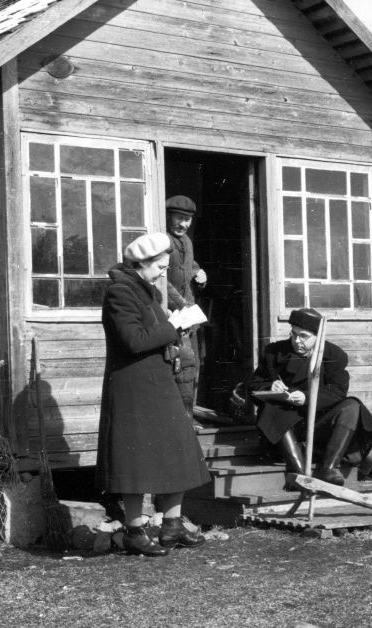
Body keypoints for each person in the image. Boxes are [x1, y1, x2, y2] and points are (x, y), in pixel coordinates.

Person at [97, 232, 211, 557]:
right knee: (135, 461)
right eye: (159, 267)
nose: (163, 272)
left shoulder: (144, 290)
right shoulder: (120, 292)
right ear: (142, 263)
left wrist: (176, 331)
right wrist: (173, 328)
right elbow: (133, 340)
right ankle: (134, 531)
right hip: (134, 388)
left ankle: (172, 526)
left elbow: (153, 333)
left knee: (176, 448)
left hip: (157, 383)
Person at [248, 308, 372, 487]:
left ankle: (329, 468)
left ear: (318, 336)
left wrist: (307, 398)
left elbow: (337, 391)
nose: (297, 341)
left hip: (317, 424)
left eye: (303, 336)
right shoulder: (274, 352)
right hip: (283, 430)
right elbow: (253, 385)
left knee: (352, 405)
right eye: (293, 334)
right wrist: (269, 387)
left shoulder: (334, 356)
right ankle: (296, 472)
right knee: (271, 407)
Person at [164, 195, 207, 424]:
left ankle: (188, 416)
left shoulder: (187, 241)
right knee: (180, 365)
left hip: (188, 316)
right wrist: (183, 305)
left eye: (187, 219)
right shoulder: (161, 241)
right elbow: (162, 280)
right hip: (170, 314)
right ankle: (180, 421)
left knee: (192, 366)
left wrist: (200, 272)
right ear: (168, 216)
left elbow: (188, 266)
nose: (183, 224)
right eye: (179, 218)